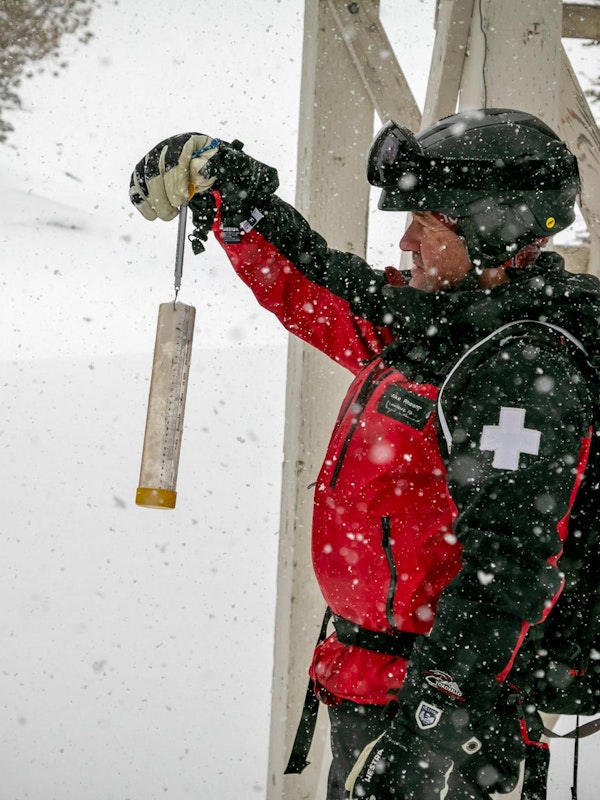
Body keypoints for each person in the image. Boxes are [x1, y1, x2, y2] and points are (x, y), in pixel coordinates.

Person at [129, 109, 600, 800]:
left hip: (451, 733)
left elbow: (510, 573)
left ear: (496, 234)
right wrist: (234, 196)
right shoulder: (436, 323)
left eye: (428, 224)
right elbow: (316, 287)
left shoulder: (523, 375)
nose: (407, 240)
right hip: (372, 690)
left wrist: (427, 737)